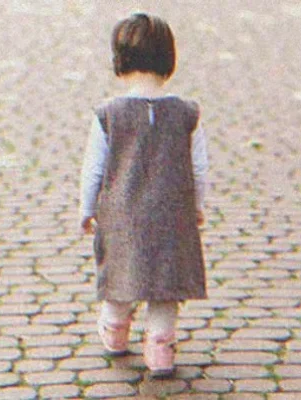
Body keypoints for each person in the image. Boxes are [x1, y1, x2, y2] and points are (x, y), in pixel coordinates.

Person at [79, 12, 209, 378]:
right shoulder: (187, 113)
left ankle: (115, 330)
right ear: (169, 60)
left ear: (119, 62)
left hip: (123, 215)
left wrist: (86, 209)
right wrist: (197, 205)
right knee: (166, 286)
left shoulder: (108, 114)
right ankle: (161, 346)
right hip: (172, 215)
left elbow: (93, 169)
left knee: (120, 276)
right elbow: (200, 168)